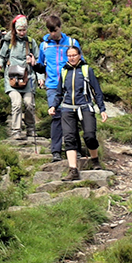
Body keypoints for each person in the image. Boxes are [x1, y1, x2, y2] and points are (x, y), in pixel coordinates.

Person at [49, 45, 109, 182]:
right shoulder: (64, 72)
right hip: (67, 108)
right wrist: (53, 106)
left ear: (79, 55)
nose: (72, 58)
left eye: (74, 55)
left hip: (85, 107)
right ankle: (73, 170)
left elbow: (97, 91)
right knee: (69, 138)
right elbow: (59, 93)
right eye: (69, 56)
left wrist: (102, 109)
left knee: (89, 135)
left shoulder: (87, 70)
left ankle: (95, 161)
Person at [39, 14, 81, 158]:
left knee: (71, 115)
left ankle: (76, 149)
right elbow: (40, 65)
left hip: (70, 84)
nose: (52, 34)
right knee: (56, 116)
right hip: (52, 85)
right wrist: (34, 67)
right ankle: (55, 151)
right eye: (50, 31)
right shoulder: (44, 45)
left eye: (55, 30)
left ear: (60, 28)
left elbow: (80, 62)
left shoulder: (71, 42)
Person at [0, 15, 41, 139]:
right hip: (11, 80)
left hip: (28, 79)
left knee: (29, 103)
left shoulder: (31, 42)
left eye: (24, 30)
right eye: (19, 30)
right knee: (16, 103)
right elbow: (1, 56)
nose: (22, 32)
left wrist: (39, 73)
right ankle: (16, 130)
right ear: (15, 29)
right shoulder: (9, 42)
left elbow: (38, 61)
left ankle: (31, 129)